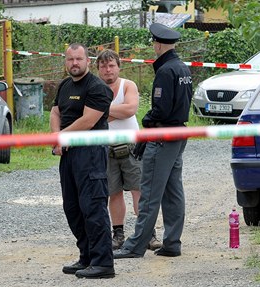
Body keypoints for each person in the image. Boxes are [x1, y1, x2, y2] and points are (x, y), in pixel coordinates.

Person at [113, 23, 192, 259]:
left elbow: (161, 110)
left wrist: (147, 120)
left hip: (162, 136)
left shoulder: (166, 71)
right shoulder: (183, 68)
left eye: (153, 43)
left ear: (158, 44)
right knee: (172, 191)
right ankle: (172, 242)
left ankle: (135, 245)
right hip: (178, 135)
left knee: (149, 193)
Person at [50, 43, 115, 279]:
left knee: (93, 208)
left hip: (90, 154)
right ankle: (86, 257)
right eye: (70, 60)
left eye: (79, 59)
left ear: (88, 61)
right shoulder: (65, 85)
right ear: (65, 61)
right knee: (73, 208)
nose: (74, 64)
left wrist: (63, 135)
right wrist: (58, 136)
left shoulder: (97, 87)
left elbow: (88, 120)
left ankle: (103, 263)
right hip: (68, 155)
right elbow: (56, 112)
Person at [95, 49, 162, 251]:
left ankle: (148, 234)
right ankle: (118, 235)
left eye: (111, 65)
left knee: (139, 191)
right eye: (103, 66)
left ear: (118, 66)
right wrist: (116, 111)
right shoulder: (95, 88)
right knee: (112, 193)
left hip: (133, 147)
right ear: (97, 69)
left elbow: (130, 109)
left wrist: (103, 112)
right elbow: (92, 115)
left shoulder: (128, 85)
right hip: (106, 147)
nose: (108, 70)